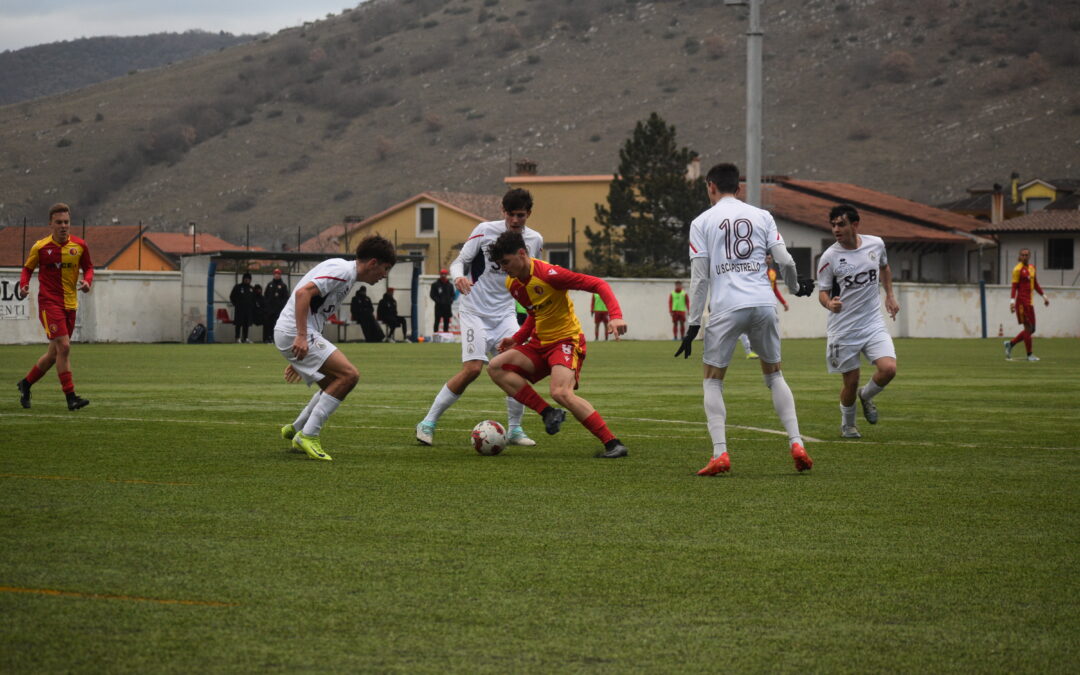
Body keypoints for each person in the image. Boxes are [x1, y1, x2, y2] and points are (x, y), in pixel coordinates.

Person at [675, 163, 816, 475]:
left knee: (712, 380)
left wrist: (693, 323)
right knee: (775, 375)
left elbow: (699, 278)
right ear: (738, 189)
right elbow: (784, 259)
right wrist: (794, 287)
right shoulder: (762, 216)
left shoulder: (701, 222)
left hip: (727, 306)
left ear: (710, 186)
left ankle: (720, 454)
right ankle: (797, 443)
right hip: (763, 303)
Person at [415, 188, 543, 447]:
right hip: (474, 310)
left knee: (513, 369)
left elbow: (532, 275)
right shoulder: (484, 230)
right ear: (502, 212)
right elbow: (459, 261)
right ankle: (427, 423)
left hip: (505, 313)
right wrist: (458, 277)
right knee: (473, 369)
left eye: (521, 215)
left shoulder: (535, 240)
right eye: (511, 215)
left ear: (529, 213)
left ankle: (516, 430)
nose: (515, 221)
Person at [487, 230, 630, 458]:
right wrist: (517, 338)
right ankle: (548, 413)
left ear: (522, 253)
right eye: (500, 264)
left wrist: (615, 315)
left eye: (506, 261)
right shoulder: (512, 283)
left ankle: (613, 443)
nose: (504, 268)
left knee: (561, 392)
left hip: (565, 341)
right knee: (495, 367)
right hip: (539, 343)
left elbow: (598, 284)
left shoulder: (550, 274)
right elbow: (535, 313)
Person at [276, 235, 397, 461]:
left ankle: (296, 428)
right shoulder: (342, 271)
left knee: (332, 383)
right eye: (385, 268)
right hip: (295, 331)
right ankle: (308, 435)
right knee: (349, 375)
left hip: (293, 333)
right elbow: (303, 294)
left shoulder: (347, 275)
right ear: (373, 263)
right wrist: (301, 337)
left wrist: (297, 352)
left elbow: (312, 308)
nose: (384, 275)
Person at [816, 204, 901, 439]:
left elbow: (884, 268)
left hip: (872, 323)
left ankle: (867, 396)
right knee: (850, 383)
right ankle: (848, 425)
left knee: (889, 369)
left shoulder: (876, 244)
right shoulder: (829, 257)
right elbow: (822, 292)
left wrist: (890, 296)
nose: (836, 229)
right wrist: (829, 304)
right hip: (843, 329)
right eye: (833, 225)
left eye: (841, 224)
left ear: (855, 225)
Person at [15, 202, 93, 411]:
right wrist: (23, 287)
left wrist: (87, 282)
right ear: (50, 224)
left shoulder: (79, 246)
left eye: (66, 222)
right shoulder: (40, 247)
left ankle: (26, 383)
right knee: (65, 347)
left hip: (70, 304)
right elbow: (27, 269)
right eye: (59, 222)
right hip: (49, 303)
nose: (63, 226)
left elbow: (89, 268)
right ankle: (71, 398)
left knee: (54, 354)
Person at [1005, 248, 1049, 362]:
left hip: (1030, 303)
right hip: (1021, 303)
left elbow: (1035, 284)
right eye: (1022, 255)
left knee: (1032, 329)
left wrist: (1044, 296)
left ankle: (1010, 344)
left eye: (1026, 255)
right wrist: (1012, 302)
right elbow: (1014, 287)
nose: (1024, 256)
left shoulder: (1032, 268)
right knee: (1028, 328)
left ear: (1029, 256)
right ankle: (1029, 355)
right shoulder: (1017, 270)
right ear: (1020, 256)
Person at [264, 268, 290, 343]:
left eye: (278, 274)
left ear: (280, 275)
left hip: (278, 310)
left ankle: (277, 339)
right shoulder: (270, 285)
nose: (276, 275)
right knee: (269, 324)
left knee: (277, 325)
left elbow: (285, 298)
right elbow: (266, 296)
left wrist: (280, 306)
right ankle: (269, 338)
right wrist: (267, 305)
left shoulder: (283, 286)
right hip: (269, 310)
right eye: (275, 274)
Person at [229, 272, 255, 343]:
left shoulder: (251, 288)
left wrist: (251, 306)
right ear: (243, 279)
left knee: (246, 324)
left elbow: (254, 299)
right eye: (245, 279)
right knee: (238, 323)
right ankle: (237, 337)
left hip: (248, 310)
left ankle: (245, 338)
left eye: (248, 279)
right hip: (239, 309)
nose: (247, 280)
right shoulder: (238, 287)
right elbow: (232, 297)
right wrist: (236, 304)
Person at [430, 268, 455, 333]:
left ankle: (445, 336)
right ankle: (435, 335)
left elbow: (453, 295)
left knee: (446, 322)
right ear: (440, 274)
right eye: (442, 274)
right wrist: (438, 301)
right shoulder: (435, 285)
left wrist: (450, 301)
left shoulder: (450, 285)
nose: (443, 275)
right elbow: (432, 295)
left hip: (447, 307)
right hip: (438, 307)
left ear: (447, 275)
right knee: (437, 321)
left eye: (445, 274)